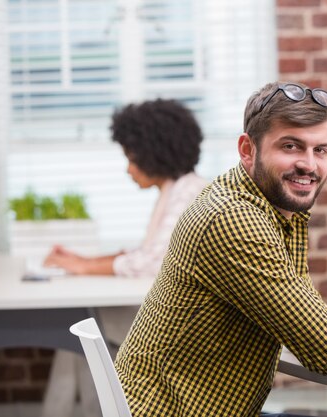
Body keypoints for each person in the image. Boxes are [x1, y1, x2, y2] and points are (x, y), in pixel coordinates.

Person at [114, 82, 327, 417]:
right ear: (247, 149)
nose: (309, 165)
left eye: (321, 151)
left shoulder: (266, 205)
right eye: (291, 146)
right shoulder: (235, 220)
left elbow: (303, 312)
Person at [41, 99, 208, 417]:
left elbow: (151, 263)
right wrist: (84, 261)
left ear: (152, 152)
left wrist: (84, 267)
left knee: (77, 327)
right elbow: (148, 252)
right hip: (165, 316)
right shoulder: (176, 190)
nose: (128, 168)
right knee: (79, 327)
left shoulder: (189, 194)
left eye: (131, 158)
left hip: (177, 329)